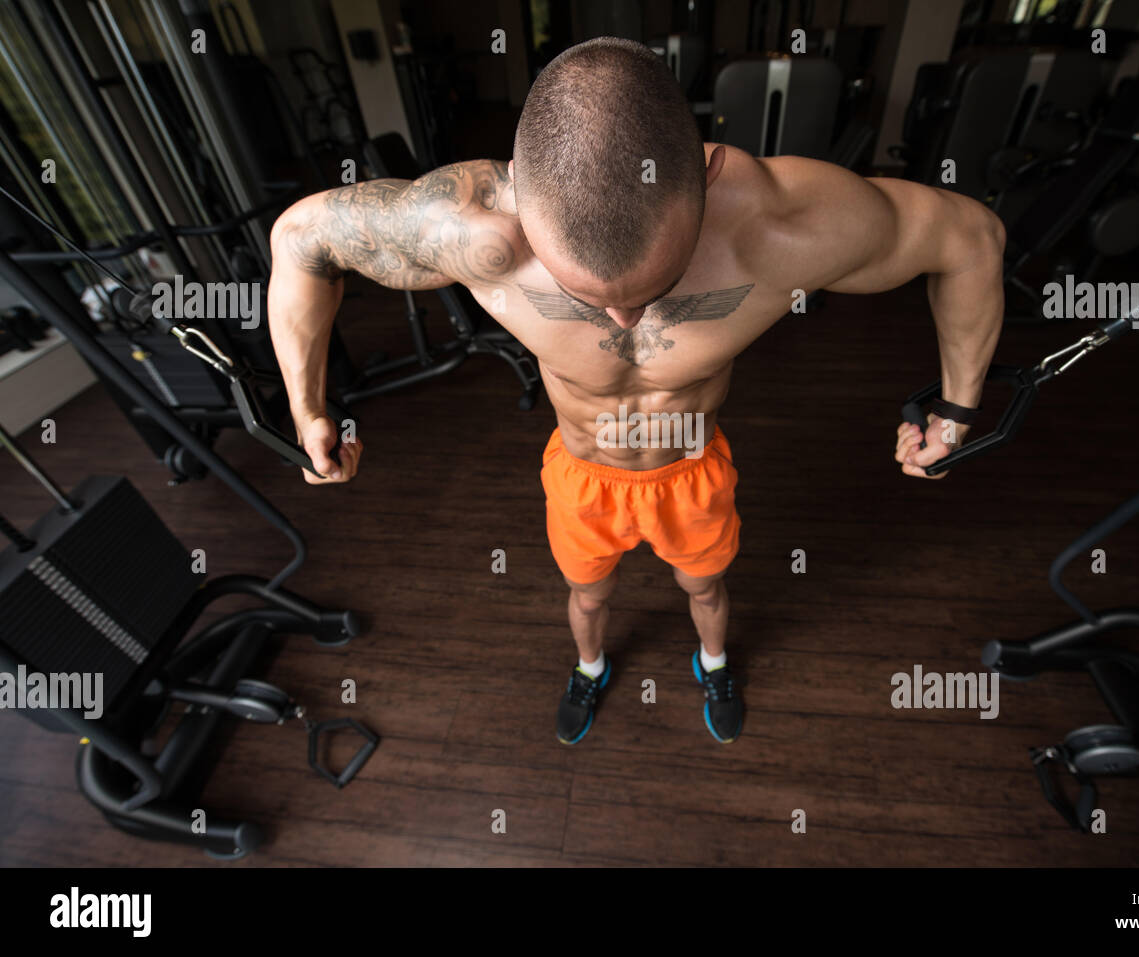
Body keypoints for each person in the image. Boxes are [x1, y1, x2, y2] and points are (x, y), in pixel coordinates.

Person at [267, 37, 1005, 746]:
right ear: (521, 197)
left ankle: (712, 665)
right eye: (586, 293)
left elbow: (971, 237)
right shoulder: (473, 228)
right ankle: (591, 666)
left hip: (692, 470)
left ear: (707, 173)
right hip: (582, 476)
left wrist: (958, 409)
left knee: (706, 589)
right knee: (588, 596)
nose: (623, 320)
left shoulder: (780, 226)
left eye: (657, 283)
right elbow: (300, 238)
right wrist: (307, 411)